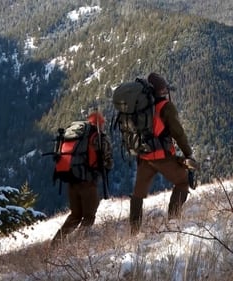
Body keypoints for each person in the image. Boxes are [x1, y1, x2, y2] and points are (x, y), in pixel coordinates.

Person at [129, 72, 198, 235]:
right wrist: (188, 154)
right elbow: (178, 133)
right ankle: (173, 221)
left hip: (144, 155)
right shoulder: (166, 107)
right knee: (182, 182)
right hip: (162, 155)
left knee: (138, 194)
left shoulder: (141, 105)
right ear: (163, 90)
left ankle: (134, 231)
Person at [51, 111, 114, 245]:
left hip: (71, 180)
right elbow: (107, 160)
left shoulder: (76, 135)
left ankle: (56, 243)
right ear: (100, 123)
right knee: (89, 216)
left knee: (75, 215)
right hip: (88, 183)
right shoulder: (98, 137)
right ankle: (79, 244)